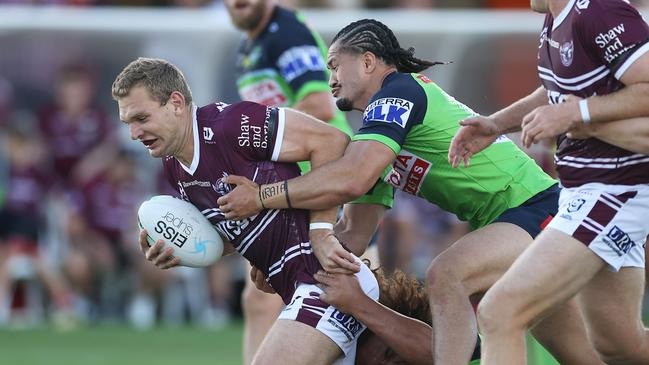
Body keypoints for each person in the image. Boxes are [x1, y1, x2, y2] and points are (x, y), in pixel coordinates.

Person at [216, 19, 604, 364]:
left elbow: (350, 178)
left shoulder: (398, 92)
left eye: (334, 64)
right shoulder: (373, 139)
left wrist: (263, 197)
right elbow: (353, 235)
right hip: (520, 216)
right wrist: (284, 261)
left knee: (447, 274)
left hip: (537, 205)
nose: (329, 76)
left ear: (368, 62)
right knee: (594, 353)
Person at [112, 57, 376, 365]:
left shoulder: (231, 125)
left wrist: (320, 231)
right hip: (300, 290)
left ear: (176, 103)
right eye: (127, 123)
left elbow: (332, 141)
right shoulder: (173, 168)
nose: (134, 133)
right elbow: (230, 232)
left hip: (328, 283)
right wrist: (178, 248)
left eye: (141, 118)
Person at [444, 0, 649, 364]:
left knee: (499, 312)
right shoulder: (555, 19)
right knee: (619, 344)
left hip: (614, 190)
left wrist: (577, 112)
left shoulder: (599, 11)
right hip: (586, 192)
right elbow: (554, 91)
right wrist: (495, 124)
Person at [224, 1, 353, 360]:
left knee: (266, 296)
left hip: (321, 179)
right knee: (271, 294)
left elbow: (319, 104)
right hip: (306, 183)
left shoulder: (287, 34)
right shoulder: (251, 46)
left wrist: (252, 144)